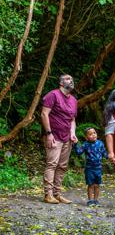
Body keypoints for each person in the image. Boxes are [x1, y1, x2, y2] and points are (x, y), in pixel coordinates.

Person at [41, 74, 78, 204]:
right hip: (54, 136)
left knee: (62, 166)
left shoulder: (73, 100)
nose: (71, 80)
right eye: (68, 79)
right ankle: (48, 194)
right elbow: (44, 114)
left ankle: (57, 194)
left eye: (72, 79)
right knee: (52, 164)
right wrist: (49, 133)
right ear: (61, 83)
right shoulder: (53, 95)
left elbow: (72, 120)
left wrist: (73, 133)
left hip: (67, 137)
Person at [73, 127, 114, 206]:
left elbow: (104, 153)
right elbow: (79, 152)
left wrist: (111, 158)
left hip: (98, 168)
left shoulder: (100, 143)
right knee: (90, 184)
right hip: (89, 168)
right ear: (86, 137)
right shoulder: (85, 144)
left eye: (94, 133)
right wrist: (75, 144)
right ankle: (90, 200)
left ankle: (96, 200)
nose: (93, 135)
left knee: (97, 185)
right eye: (90, 134)